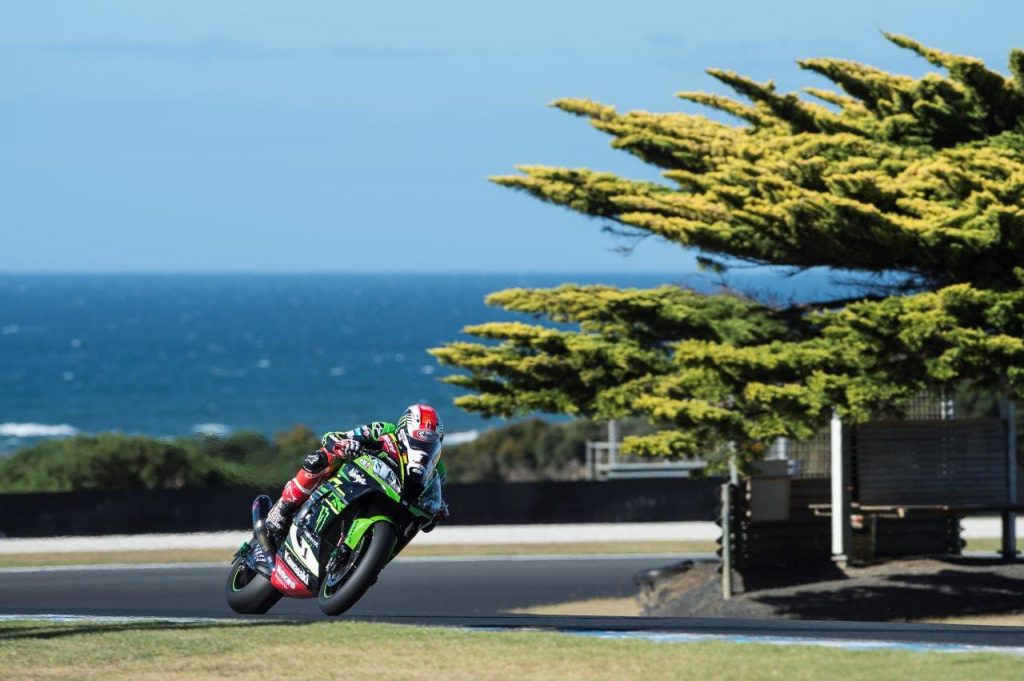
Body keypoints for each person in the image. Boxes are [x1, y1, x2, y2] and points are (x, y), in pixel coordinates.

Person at [266, 403, 450, 536]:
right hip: (356, 476)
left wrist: (437, 510)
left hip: (395, 503)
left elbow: (427, 523)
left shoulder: (437, 469)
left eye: (429, 445)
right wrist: (347, 444)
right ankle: (284, 506)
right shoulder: (384, 430)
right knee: (321, 458)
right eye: (418, 442)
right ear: (404, 432)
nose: (422, 450)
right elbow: (334, 438)